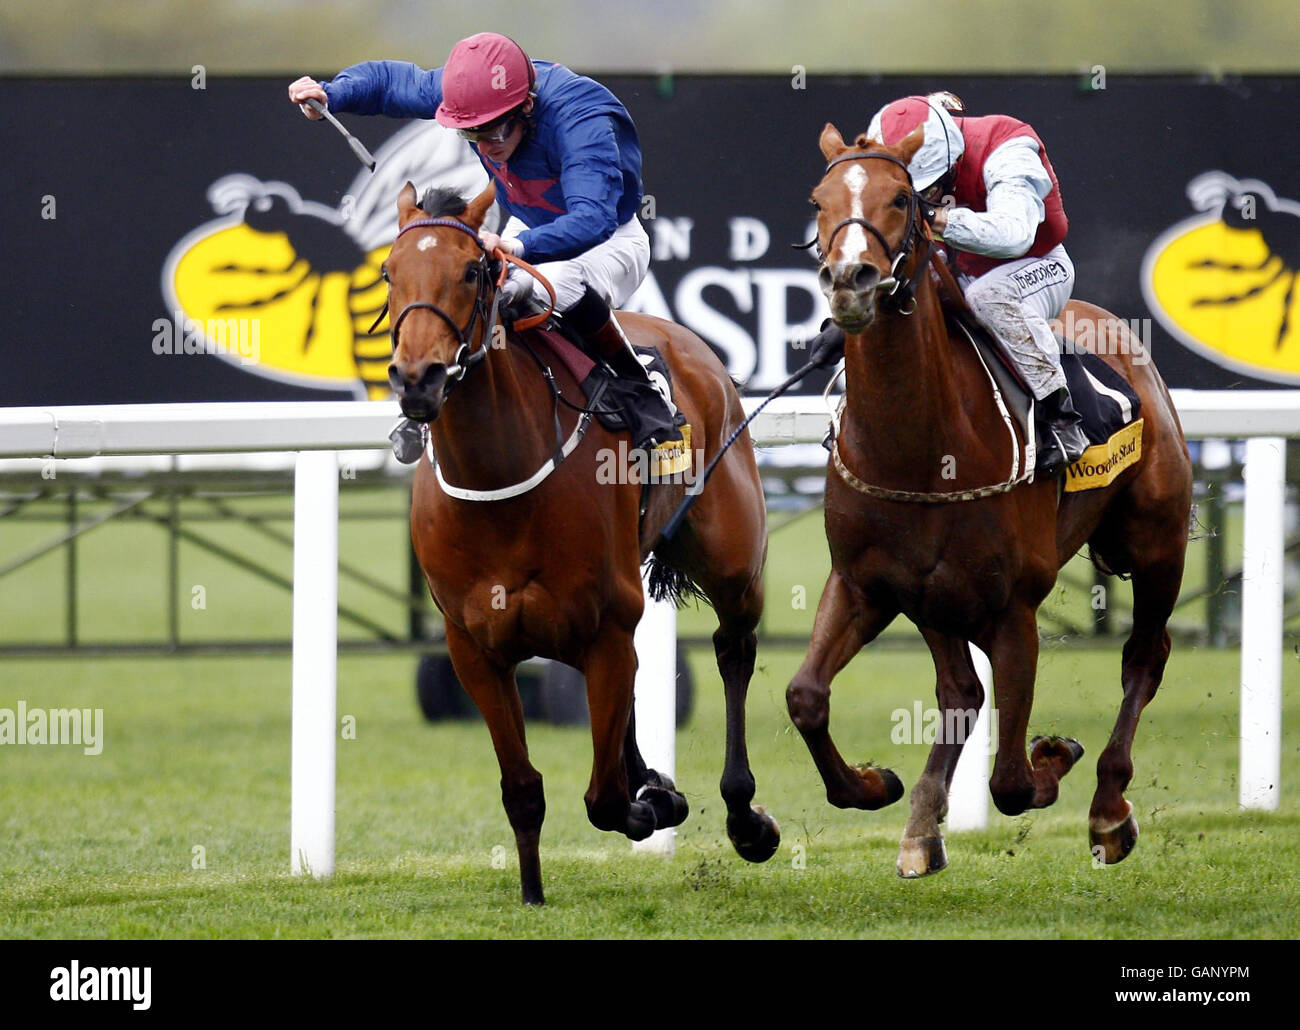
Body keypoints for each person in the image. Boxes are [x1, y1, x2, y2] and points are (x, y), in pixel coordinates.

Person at [288, 31, 677, 462]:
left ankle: (644, 392)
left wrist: (516, 243)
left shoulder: (581, 118)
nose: (487, 144)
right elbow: (395, 83)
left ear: (527, 105)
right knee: (473, 287)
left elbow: (592, 220)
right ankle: (428, 395)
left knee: (553, 281)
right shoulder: (474, 91)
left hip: (609, 240)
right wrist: (332, 92)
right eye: (472, 135)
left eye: (494, 130)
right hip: (528, 226)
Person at [808, 91, 1088, 474]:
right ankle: (855, 420)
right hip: (954, 268)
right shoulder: (886, 149)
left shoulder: (1009, 145)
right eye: (918, 192)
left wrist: (933, 218)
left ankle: (1060, 418)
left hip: (1033, 264)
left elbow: (1014, 234)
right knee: (899, 286)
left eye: (934, 186)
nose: (928, 196)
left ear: (954, 158)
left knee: (989, 296)